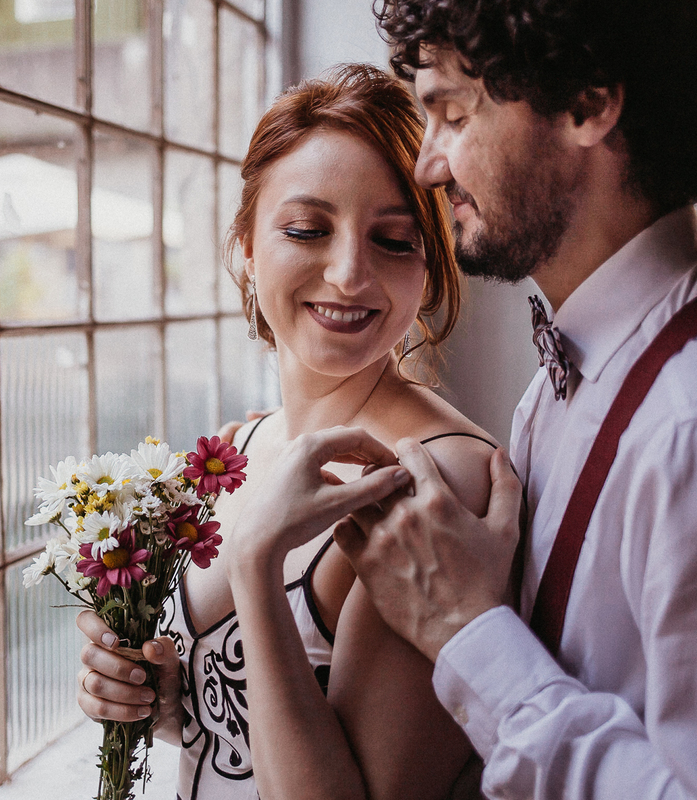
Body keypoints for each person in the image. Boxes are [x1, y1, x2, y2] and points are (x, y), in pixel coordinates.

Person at [326, 1, 697, 798]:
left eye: (451, 111)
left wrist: (466, 631)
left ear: (588, 103)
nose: (428, 165)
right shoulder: (583, 366)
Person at [75, 63, 498, 800]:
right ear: (243, 244)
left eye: (394, 241)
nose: (348, 273)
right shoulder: (235, 450)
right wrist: (165, 702)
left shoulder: (432, 485)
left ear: (430, 270)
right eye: (307, 229)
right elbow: (238, 740)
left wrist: (256, 563)